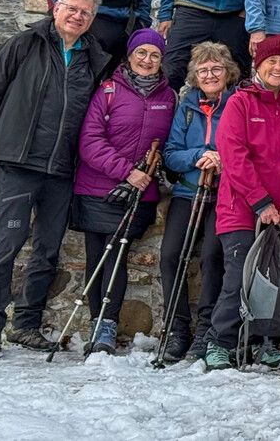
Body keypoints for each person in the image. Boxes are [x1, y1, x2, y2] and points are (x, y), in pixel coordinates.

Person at [0, 0, 109, 359]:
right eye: (72, 8)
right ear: (56, 8)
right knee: (6, 246)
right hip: (20, 165)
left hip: (62, 170)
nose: (77, 16)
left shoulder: (92, 59)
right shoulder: (25, 44)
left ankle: (27, 325)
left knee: (47, 250)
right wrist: (5, 144)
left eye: (85, 12)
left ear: (91, 19)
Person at [205, 34, 280, 371]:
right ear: (259, 65)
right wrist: (261, 204)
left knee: (278, 283)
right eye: (271, 61)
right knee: (239, 278)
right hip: (243, 212)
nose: (277, 67)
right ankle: (221, 341)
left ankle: (268, 343)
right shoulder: (240, 104)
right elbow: (235, 156)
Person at [71, 28, 176, 354]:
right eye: (141, 53)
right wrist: (126, 171)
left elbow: (169, 145)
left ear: (161, 61)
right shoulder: (109, 90)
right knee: (96, 257)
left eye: (155, 55)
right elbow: (89, 141)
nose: (147, 60)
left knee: (117, 255)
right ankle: (97, 323)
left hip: (137, 194)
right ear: (129, 56)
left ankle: (107, 325)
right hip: (98, 186)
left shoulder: (168, 97)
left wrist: (154, 169)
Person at [160, 42, 240, 363]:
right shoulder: (187, 107)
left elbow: (246, 148)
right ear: (195, 75)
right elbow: (170, 154)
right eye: (203, 70)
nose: (209, 75)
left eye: (216, 69)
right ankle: (177, 328)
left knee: (211, 256)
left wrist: (223, 159)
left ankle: (207, 327)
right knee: (170, 255)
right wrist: (198, 156)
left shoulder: (237, 103)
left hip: (223, 192)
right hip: (188, 191)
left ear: (227, 72)